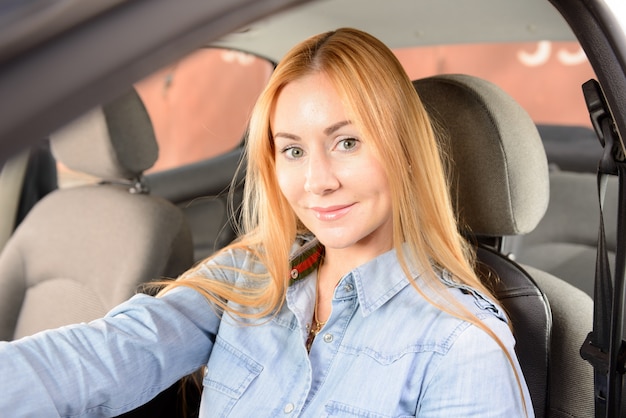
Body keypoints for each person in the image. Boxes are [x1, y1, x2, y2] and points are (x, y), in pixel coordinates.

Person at [0, 27, 533, 417]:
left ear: (405, 151)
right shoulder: (248, 277)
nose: (317, 181)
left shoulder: (462, 344)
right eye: (293, 151)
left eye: (346, 142)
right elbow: (105, 354)